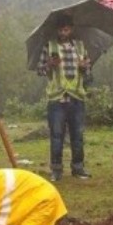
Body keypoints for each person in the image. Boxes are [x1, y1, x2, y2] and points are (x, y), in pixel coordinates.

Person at [42, 13, 91, 181]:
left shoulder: (80, 46)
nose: (64, 33)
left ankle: (78, 168)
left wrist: (84, 67)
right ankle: (56, 170)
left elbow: (88, 72)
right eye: (61, 30)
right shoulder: (49, 46)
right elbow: (40, 70)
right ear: (57, 30)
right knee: (57, 136)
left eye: (67, 29)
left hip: (77, 97)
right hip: (57, 98)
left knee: (78, 135)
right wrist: (49, 64)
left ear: (71, 29)